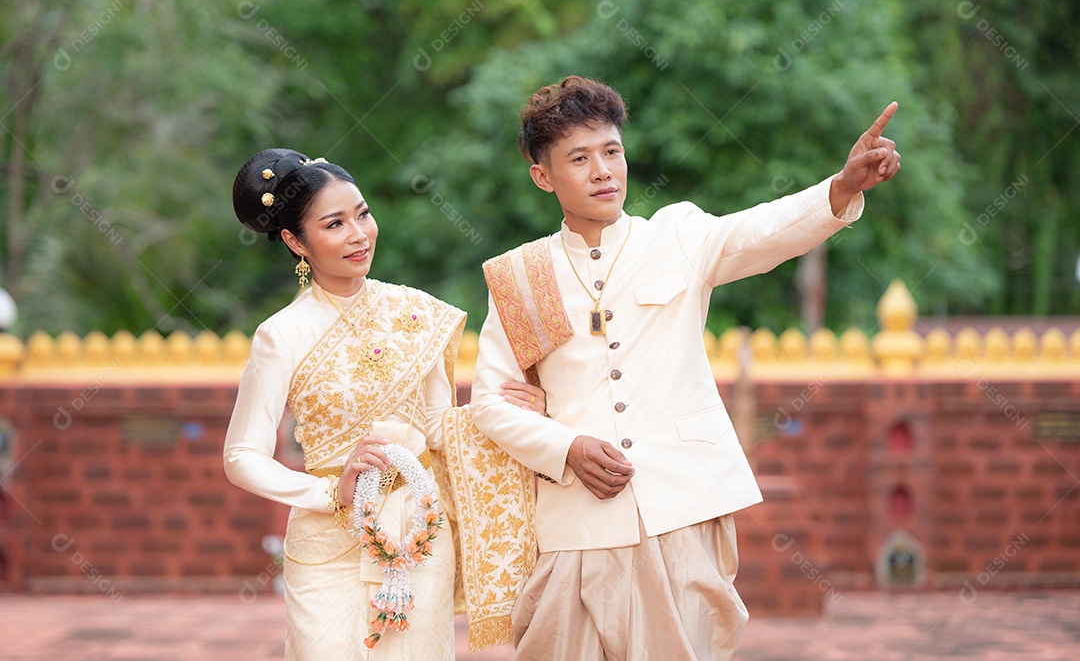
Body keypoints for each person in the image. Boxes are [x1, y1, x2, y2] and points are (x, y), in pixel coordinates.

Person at [470, 76, 901, 660]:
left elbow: (764, 230)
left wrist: (841, 187)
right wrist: (566, 447)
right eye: (579, 158)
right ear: (543, 176)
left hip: (681, 509)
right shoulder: (521, 277)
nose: (602, 171)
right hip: (575, 520)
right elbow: (491, 402)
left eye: (611, 152)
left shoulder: (677, 236)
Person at [223, 148, 546, 660]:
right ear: (294, 241)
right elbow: (241, 456)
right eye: (334, 224)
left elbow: (443, 429)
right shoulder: (280, 335)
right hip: (328, 539)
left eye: (363, 214)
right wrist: (331, 491)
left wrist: (514, 417)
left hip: (419, 525)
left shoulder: (415, 313)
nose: (358, 233)